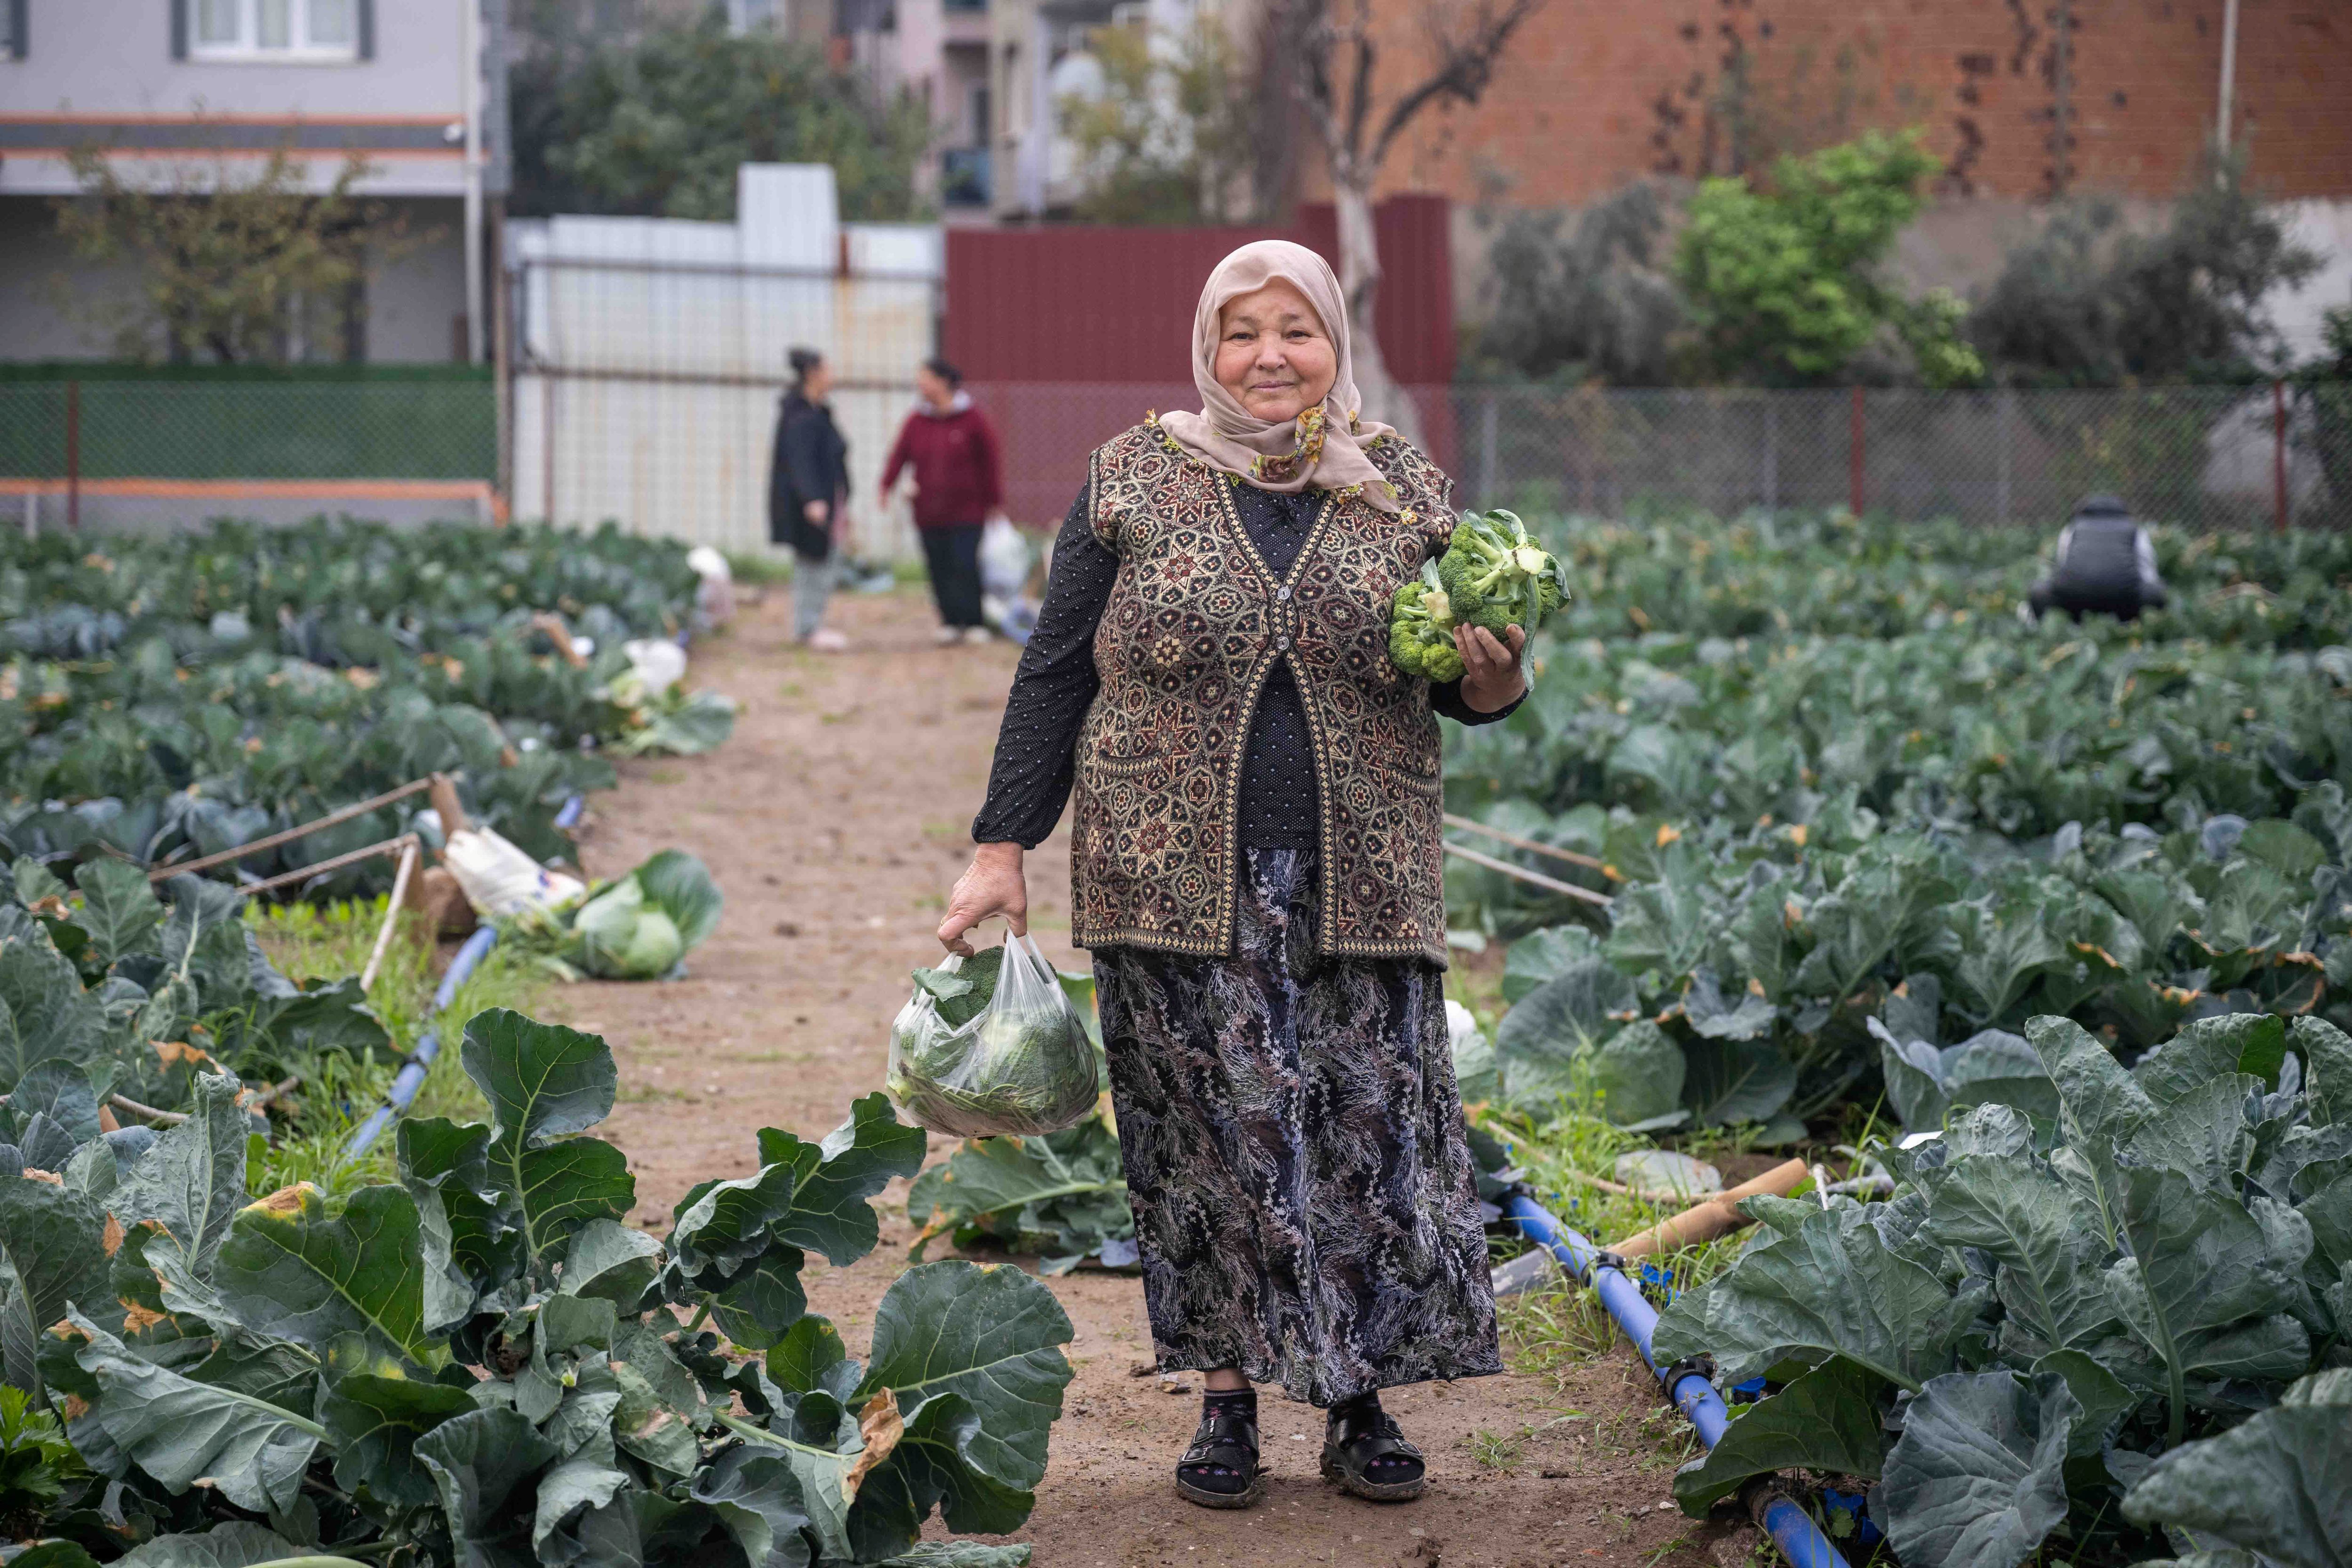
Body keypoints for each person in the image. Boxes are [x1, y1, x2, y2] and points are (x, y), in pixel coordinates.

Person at [936, 240, 1519, 1513]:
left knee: (1363, 1136)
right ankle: (1225, 1397)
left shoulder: (1404, 494)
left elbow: (1464, 683)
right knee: (1212, 1143)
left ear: (1333, 346)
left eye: (1294, 330)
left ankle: (1356, 1396)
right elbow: (1053, 673)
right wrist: (999, 847)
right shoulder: (1129, 479)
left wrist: (1489, 675)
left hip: (1357, 875)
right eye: (1241, 331)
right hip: (1166, 880)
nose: (1268, 357)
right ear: (1206, 345)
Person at [881, 358, 1007, 645]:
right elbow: (899, 455)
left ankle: (973, 622)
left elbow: (991, 462)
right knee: (938, 566)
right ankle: (950, 621)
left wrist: (995, 501)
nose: (920, 385)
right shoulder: (917, 420)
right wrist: (886, 485)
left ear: (943, 382)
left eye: (925, 378)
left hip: (968, 510)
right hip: (928, 512)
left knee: (965, 564)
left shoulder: (973, 419)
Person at [768, 347, 852, 652]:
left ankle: (810, 625)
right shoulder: (800, 415)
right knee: (813, 563)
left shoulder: (818, 410)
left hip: (827, 499)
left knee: (820, 562)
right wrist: (813, 499)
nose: (832, 376)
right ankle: (808, 628)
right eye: (828, 370)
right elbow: (799, 460)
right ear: (813, 374)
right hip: (812, 504)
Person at [2026, 494, 2168, 622]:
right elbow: (2147, 570)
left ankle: (2054, 635)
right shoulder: (2136, 529)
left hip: (2077, 600)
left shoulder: (2072, 528)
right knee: (2157, 592)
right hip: (2124, 601)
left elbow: (2063, 565)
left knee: (2038, 592)